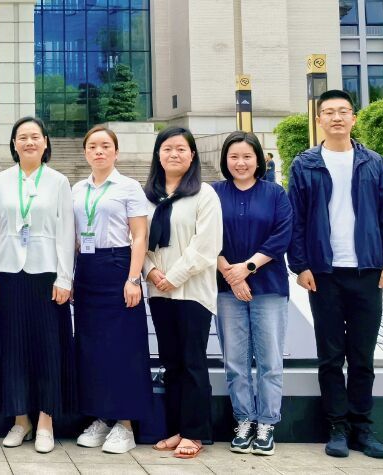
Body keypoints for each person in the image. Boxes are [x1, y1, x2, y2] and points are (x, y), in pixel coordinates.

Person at [288, 89, 383, 459]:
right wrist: (300, 265)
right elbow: (296, 219)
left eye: (343, 111)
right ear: (319, 119)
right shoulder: (305, 164)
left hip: (368, 271)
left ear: (353, 117)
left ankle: (363, 427)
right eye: (329, 112)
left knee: (363, 356)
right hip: (324, 273)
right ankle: (337, 426)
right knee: (331, 355)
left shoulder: (374, 162)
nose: (336, 117)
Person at [0, 117, 75, 454]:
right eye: (22, 137)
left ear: (45, 142)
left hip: (46, 274)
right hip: (7, 273)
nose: (29, 142)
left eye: (35, 137)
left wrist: (65, 278)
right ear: (14, 144)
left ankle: (46, 420)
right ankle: (21, 420)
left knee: (48, 348)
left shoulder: (59, 181)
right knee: (12, 349)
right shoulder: (1, 181)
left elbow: (66, 233)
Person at [69, 125, 152, 455]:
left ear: (116, 152)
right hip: (87, 269)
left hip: (119, 266)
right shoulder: (77, 189)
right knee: (91, 347)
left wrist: (133, 279)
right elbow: (74, 237)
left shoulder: (129, 187)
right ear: (85, 152)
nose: (99, 151)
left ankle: (125, 424)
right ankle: (101, 417)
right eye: (92, 146)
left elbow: (140, 236)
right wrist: (70, 277)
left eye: (105, 146)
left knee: (123, 347)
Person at [143, 127, 222, 459]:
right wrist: (151, 272)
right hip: (159, 291)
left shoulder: (204, 194)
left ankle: (194, 432)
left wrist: (173, 277)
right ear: (158, 155)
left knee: (192, 362)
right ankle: (175, 429)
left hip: (192, 292)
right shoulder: (148, 197)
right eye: (167, 148)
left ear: (192, 155)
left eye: (180, 149)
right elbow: (138, 241)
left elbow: (206, 245)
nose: (173, 154)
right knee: (171, 363)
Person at [213, 131, 292, 456]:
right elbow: (204, 236)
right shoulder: (213, 193)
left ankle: (267, 423)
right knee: (235, 361)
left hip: (269, 287)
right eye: (234, 157)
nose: (240, 163)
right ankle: (244, 421)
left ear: (258, 159)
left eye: (247, 156)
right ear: (225, 160)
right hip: (226, 288)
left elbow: (282, 235)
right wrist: (230, 275)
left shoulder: (275, 193)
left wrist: (246, 268)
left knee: (270, 361)